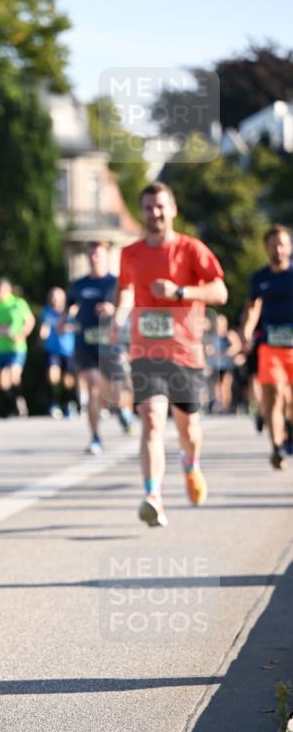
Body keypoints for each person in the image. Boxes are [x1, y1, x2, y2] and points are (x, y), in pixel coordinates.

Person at [112, 182, 228, 527]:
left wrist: (180, 292)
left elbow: (220, 291)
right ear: (141, 212)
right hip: (145, 351)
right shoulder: (130, 253)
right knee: (151, 419)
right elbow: (125, 289)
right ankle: (153, 496)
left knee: (188, 429)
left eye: (161, 206)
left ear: (173, 209)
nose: (155, 213)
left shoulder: (191, 249)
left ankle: (191, 465)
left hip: (185, 352)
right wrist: (118, 316)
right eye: (149, 207)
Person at [66, 241, 133, 453]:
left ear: (106, 257)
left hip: (110, 342)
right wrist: (63, 321)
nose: (94, 258)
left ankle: (122, 410)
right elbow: (68, 307)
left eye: (98, 255)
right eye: (92, 255)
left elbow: (127, 304)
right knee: (93, 387)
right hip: (85, 343)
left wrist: (113, 309)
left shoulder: (116, 282)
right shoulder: (79, 284)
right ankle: (95, 438)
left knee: (116, 391)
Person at [242, 225, 293, 469]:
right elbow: (252, 308)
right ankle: (276, 447)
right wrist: (246, 331)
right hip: (269, 345)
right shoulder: (260, 278)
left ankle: (288, 430)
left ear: (289, 247)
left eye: (282, 245)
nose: (278, 250)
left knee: (289, 398)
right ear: (266, 249)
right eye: (273, 245)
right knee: (273, 395)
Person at [0, 278, 35, 417]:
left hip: (16, 347)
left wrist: (22, 334)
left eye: (1, 288)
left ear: (8, 289)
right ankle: (11, 405)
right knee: (2, 381)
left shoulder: (18, 303)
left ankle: (17, 402)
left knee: (12, 375)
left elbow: (30, 321)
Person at [39, 286, 76, 419]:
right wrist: (42, 333)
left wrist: (67, 327)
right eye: (52, 297)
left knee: (67, 379)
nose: (54, 300)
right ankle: (54, 404)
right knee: (52, 376)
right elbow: (44, 326)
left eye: (57, 297)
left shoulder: (70, 312)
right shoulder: (46, 311)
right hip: (51, 349)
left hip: (67, 349)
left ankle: (69, 403)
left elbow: (78, 326)